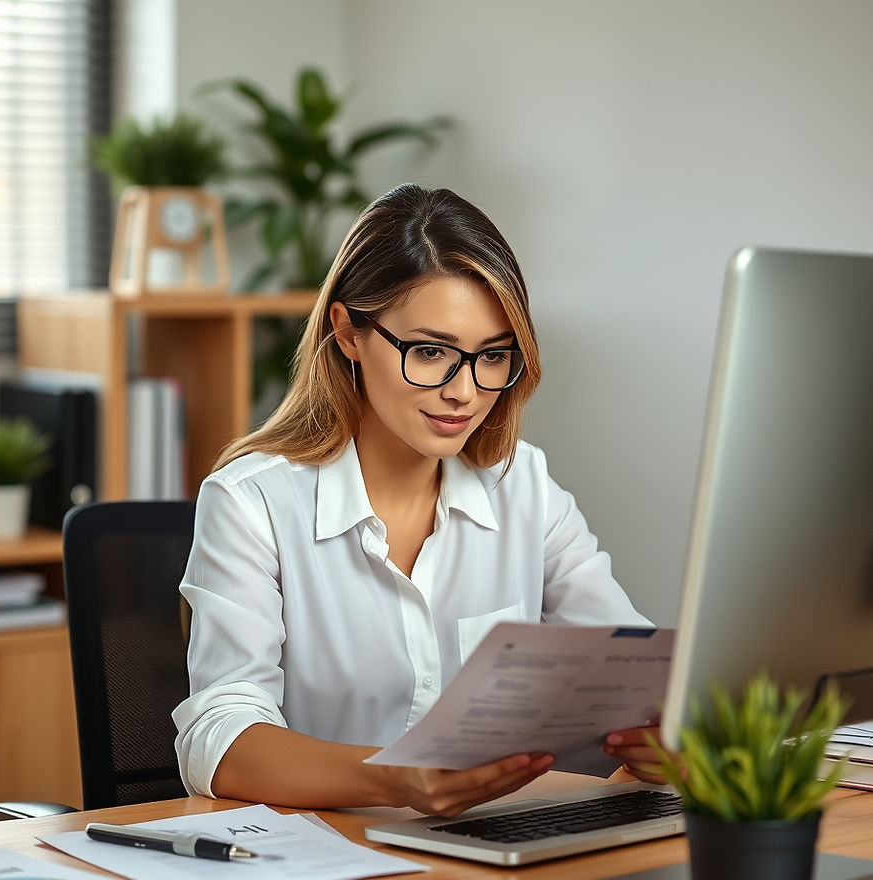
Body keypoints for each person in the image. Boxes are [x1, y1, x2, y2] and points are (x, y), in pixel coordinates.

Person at [173, 184, 665, 818]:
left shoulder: (524, 486)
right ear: (349, 332)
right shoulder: (251, 503)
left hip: (489, 860)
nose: (464, 391)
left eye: (492, 357)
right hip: (332, 866)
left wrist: (662, 736)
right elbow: (221, 741)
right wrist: (396, 780)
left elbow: (633, 669)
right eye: (430, 352)